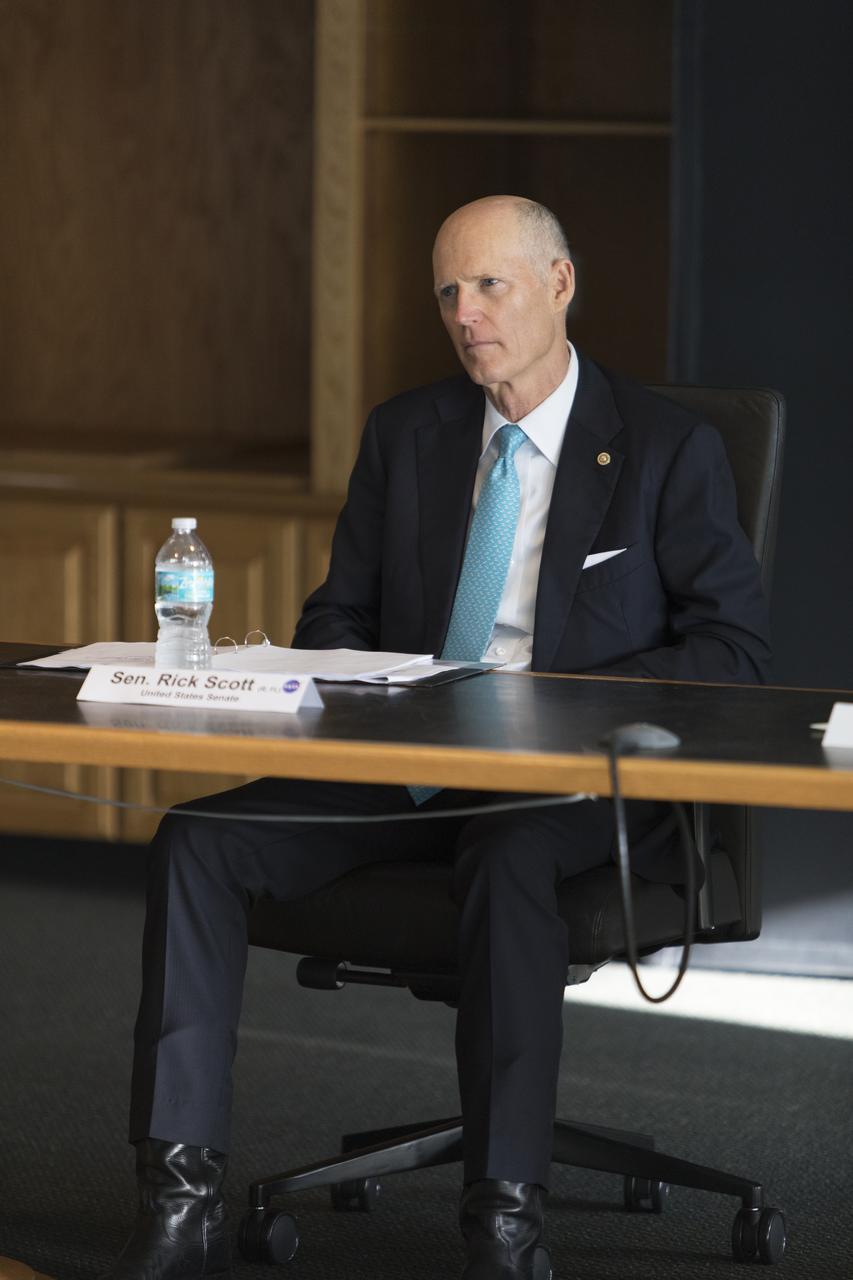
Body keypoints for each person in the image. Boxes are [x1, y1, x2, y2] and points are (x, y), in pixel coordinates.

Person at [105, 196, 770, 1280]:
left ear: (559, 284)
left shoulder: (663, 448)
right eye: (448, 293)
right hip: (407, 764)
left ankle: (504, 1221)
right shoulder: (404, 433)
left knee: (507, 858)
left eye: (490, 285)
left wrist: (555, 706)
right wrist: (352, 678)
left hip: (565, 790)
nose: (465, 314)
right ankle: (177, 1201)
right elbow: (339, 616)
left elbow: (734, 654)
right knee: (196, 839)